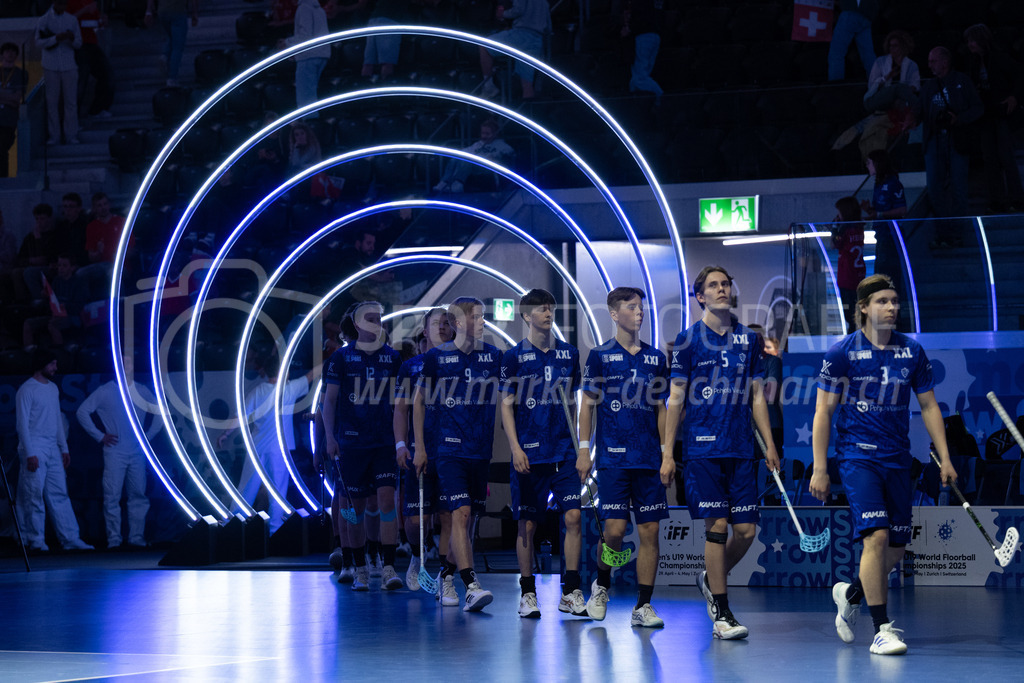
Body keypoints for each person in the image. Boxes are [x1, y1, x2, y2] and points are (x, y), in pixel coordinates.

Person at [812, 273, 957, 655]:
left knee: (894, 547)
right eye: (883, 302)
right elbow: (823, 412)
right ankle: (882, 629)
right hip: (857, 456)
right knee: (874, 538)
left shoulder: (912, 351)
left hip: (897, 459)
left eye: (895, 301)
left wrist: (944, 456)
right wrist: (820, 467)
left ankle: (851, 593)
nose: (892, 308)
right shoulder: (841, 352)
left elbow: (928, 405)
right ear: (863, 308)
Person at [662, 268, 778, 639]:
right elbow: (675, 398)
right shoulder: (687, 340)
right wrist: (668, 452)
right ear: (700, 297)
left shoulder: (748, 339)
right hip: (702, 450)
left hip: (742, 449)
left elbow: (757, 395)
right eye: (713, 285)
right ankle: (723, 614)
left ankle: (710, 579)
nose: (722, 289)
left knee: (745, 532)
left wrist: (770, 443)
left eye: (726, 283)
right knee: (717, 527)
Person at [579, 286, 670, 628]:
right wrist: (584, 449)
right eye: (632, 308)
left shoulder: (656, 358)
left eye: (641, 307)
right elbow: (587, 405)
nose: (640, 313)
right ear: (615, 314)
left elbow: (661, 408)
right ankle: (601, 584)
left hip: (648, 460)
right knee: (614, 530)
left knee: (649, 532)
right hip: (613, 459)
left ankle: (643, 606)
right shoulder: (600, 356)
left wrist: (666, 454)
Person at [499, 289, 589, 618]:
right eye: (540, 308)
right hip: (529, 455)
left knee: (574, 517)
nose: (547, 312)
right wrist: (515, 447)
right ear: (526, 316)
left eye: (550, 307)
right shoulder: (512, 357)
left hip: (564, 452)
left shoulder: (569, 354)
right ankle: (527, 592)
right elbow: (506, 406)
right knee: (527, 524)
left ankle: (571, 590)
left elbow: (580, 404)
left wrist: (583, 448)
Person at [413, 297, 501, 611]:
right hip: (448, 450)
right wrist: (420, 448)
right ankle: (472, 585)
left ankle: (446, 576)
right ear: (459, 323)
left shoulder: (494, 357)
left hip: (481, 451)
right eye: (477, 317)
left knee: (470, 517)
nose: (483, 322)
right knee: (459, 514)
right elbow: (418, 403)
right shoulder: (436, 357)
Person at [322, 301, 403, 591]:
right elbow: (328, 401)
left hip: (383, 444)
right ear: (356, 324)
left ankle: (388, 564)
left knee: (386, 502)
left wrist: (402, 441)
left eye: (379, 318)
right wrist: (330, 438)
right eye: (369, 318)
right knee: (351, 509)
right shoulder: (340, 359)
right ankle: (357, 566)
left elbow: (401, 405)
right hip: (351, 445)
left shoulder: (393, 358)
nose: (376, 322)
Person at [217, 350, 316, 535]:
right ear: (283, 372)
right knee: (278, 491)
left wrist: (225, 434)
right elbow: (311, 376)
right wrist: (331, 357)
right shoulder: (289, 389)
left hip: (258, 448)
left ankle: (232, 527)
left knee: (246, 488)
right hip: (279, 450)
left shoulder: (258, 391)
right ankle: (275, 531)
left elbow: (241, 416)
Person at [395, 307, 453, 590]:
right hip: (419, 451)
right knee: (416, 518)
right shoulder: (411, 366)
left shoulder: (460, 362)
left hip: (452, 452)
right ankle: (417, 558)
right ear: (425, 328)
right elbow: (401, 409)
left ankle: (446, 574)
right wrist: (401, 444)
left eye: (446, 323)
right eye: (436, 323)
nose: (442, 327)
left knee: (447, 514)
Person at [76, 355, 161, 549]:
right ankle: (114, 539)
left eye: (129, 361)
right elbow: (82, 411)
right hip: (115, 451)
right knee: (112, 495)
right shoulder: (105, 391)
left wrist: (148, 436)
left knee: (138, 494)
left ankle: (136, 538)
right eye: (123, 362)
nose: (126, 365)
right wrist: (99, 436)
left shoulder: (141, 390)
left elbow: (159, 412)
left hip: (137, 451)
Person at [15, 350, 94, 552]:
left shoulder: (53, 389)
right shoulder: (27, 389)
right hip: (34, 446)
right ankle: (36, 539)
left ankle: (70, 538)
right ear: (42, 364)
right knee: (33, 494)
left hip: (52, 447)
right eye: (52, 364)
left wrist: (64, 447)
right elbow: (22, 424)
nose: (55, 368)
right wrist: (30, 452)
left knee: (59, 493)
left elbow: (57, 420)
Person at [916, 46, 983, 241]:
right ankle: (943, 233)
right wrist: (911, 118)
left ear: (945, 62)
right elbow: (920, 109)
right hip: (934, 142)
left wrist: (959, 119)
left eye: (933, 61)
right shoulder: (929, 86)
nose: (929, 65)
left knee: (958, 187)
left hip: (957, 141)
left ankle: (959, 232)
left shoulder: (962, 81)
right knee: (935, 189)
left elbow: (978, 108)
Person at [963, 24, 1024, 214]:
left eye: (972, 40)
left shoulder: (999, 57)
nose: (969, 44)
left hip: (1002, 113)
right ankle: (996, 199)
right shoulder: (972, 62)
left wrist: (1014, 96)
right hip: (985, 115)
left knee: (1006, 157)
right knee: (989, 159)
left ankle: (1017, 198)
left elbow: (1019, 76)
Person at [479, 0, 551, 100]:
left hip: (520, 34)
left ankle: (489, 86)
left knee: (484, 45)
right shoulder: (544, 2)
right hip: (536, 40)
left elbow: (518, 10)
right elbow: (548, 27)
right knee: (527, 84)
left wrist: (502, 14)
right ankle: (530, 112)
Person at [36, 0, 82, 145]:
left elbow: (79, 43)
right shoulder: (44, 20)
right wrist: (55, 38)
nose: (62, 6)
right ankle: (54, 136)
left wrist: (70, 38)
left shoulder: (72, 19)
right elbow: (38, 42)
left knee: (71, 102)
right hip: (50, 65)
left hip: (69, 64)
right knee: (52, 102)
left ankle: (71, 135)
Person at [432, 119, 515, 194]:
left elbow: (510, 153)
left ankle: (458, 183)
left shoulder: (501, 144)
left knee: (469, 160)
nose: (484, 136)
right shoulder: (478, 144)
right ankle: (444, 182)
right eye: (483, 133)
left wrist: (495, 157)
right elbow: (467, 150)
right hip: (475, 165)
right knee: (455, 158)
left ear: (495, 134)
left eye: (487, 134)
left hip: (487, 167)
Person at [68, 0, 114, 119]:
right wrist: (85, 10)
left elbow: (95, 22)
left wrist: (103, 22)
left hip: (91, 43)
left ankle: (97, 109)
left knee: (106, 74)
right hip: (78, 45)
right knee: (81, 79)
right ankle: (74, 118)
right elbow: (65, 21)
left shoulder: (91, 2)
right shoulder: (69, 3)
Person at [284, 0, 329, 112]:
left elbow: (305, 36)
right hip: (321, 54)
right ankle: (310, 124)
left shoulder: (304, 8)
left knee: (305, 99)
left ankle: (307, 125)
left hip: (308, 56)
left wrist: (286, 43)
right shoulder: (319, 9)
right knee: (310, 97)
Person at [145, 0, 199, 87]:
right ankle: (172, 78)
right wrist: (194, 13)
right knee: (177, 46)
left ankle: (165, 55)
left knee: (171, 36)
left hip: (162, 11)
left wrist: (149, 11)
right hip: (178, 11)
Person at [833, 196, 865, 332]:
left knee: (849, 313)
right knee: (857, 311)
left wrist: (835, 228)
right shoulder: (859, 227)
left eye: (839, 213)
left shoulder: (845, 230)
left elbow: (835, 243)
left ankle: (853, 338)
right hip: (858, 275)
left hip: (846, 276)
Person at [622, 0, 663, 106]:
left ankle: (662, 99)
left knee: (639, 78)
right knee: (640, 76)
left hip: (644, 36)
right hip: (652, 35)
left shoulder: (639, 5)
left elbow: (638, 18)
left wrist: (629, 27)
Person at [827, 0, 877, 82]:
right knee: (868, 54)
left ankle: (835, 87)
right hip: (867, 16)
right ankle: (876, 83)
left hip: (850, 12)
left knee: (836, 54)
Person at [0, 42, 27, 176]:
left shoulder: (20, 74)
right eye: (7, 51)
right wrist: (8, 96)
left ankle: (3, 179)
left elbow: (17, 98)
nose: (10, 54)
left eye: (13, 51)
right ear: (2, 54)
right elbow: (12, 97)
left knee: (2, 148)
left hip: (9, 120)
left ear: (16, 55)